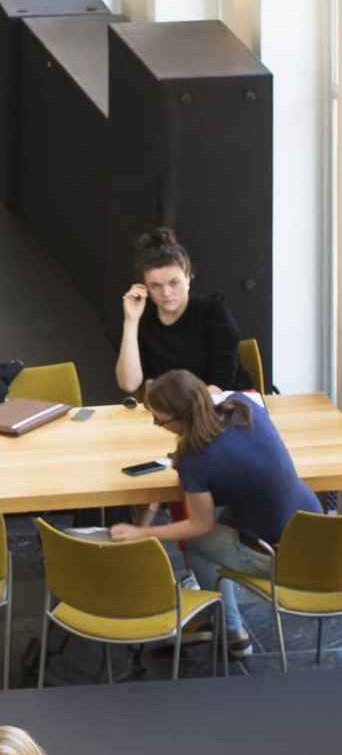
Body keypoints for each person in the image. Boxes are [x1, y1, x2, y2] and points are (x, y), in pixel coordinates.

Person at [109, 368, 322, 660]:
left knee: (198, 542)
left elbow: (199, 525)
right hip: (318, 533)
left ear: (182, 417)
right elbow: (213, 391)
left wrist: (142, 532)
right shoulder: (244, 406)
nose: (157, 424)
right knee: (223, 510)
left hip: (284, 558)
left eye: (160, 419)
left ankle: (232, 630)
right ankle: (225, 615)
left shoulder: (195, 461)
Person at [116, 228, 242, 396]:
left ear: (188, 279)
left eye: (174, 283)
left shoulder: (213, 311)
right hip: (171, 414)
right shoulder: (143, 320)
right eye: (156, 286)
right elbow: (129, 384)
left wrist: (182, 411)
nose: (166, 293)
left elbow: (220, 384)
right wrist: (131, 322)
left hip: (220, 407)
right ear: (145, 287)